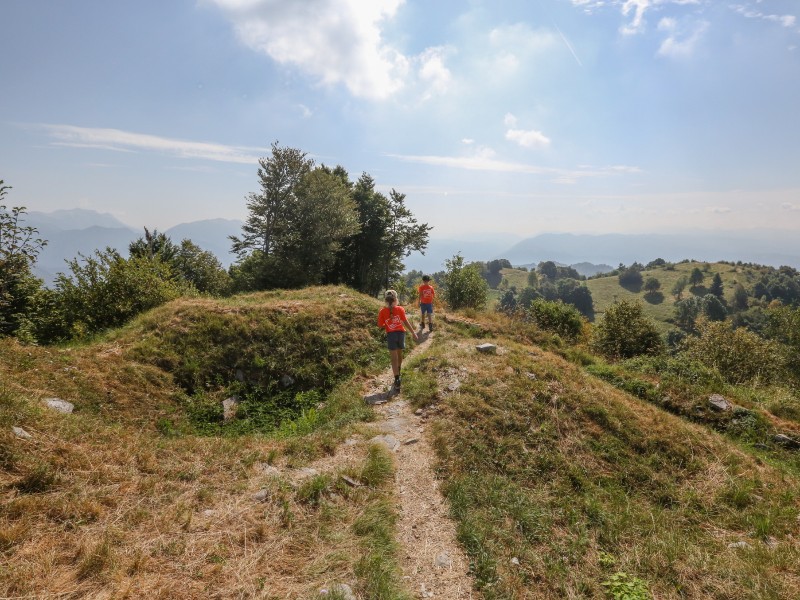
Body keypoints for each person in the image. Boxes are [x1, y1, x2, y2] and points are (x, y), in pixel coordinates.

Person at [377, 289, 418, 391]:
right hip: (401, 334)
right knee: (399, 355)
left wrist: (387, 323)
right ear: (396, 299)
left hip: (391, 335)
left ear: (385, 300)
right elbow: (406, 322)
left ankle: (397, 379)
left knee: (393, 358)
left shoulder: (382, 311)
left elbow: (380, 325)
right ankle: (399, 371)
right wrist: (413, 332)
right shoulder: (400, 309)